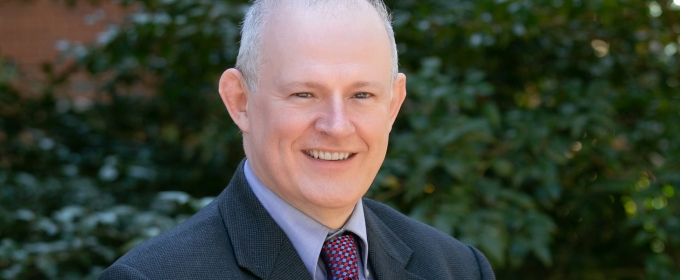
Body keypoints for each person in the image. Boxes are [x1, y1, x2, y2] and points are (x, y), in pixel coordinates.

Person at [98, 0, 496, 279]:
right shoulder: (152, 277)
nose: (337, 126)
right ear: (239, 101)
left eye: (362, 95)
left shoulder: (457, 269)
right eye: (304, 94)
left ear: (393, 105)